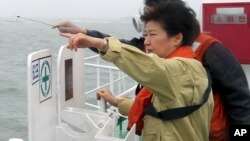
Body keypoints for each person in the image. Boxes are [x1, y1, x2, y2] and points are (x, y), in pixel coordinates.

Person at [54, 0, 250, 140]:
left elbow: (241, 98)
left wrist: (240, 136)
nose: (146, 40)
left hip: (214, 131)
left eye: (152, 31)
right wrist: (86, 33)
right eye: (145, 31)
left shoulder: (205, 56)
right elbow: (129, 50)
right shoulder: (161, 49)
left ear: (176, 35)